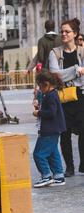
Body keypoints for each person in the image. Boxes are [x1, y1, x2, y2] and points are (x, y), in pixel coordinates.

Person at [49, 18, 84, 177]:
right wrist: (77, 71)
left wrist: (67, 74)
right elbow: (56, 75)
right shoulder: (55, 53)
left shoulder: (82, 51)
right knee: (65, 134)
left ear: (75, 34)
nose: (63, 34)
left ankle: (83, 164)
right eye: (62, 31)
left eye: (67, 31)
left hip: (81, 95)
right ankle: (69, 167)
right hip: (63, 97)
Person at [32, 70, 67, 188]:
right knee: (53, 153)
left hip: (49, 130)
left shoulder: (51, 96)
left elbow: (51, 112)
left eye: (40, 86)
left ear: (46, 84)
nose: (39, 89)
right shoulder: (51, 94)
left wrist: (39, 112)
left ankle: (46, 176)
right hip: (54, 129)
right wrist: (38, 104)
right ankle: (59, 176)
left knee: (39, 154)